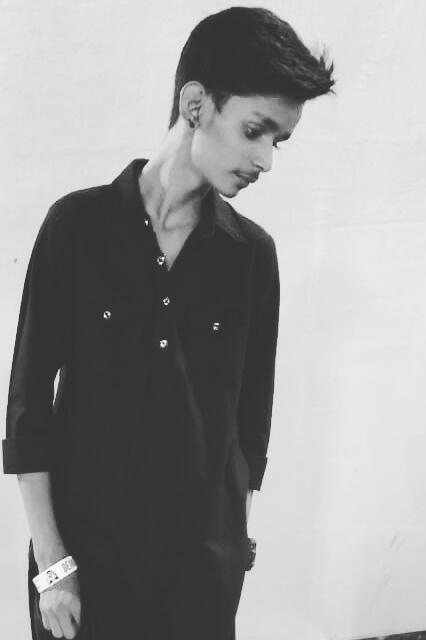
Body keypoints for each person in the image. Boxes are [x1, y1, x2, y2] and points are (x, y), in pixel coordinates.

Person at [2, 6, 335, 640]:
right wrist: (53, 566)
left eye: (279, 141)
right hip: (82, 577)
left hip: (197, 586)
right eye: (256, 130)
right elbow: (27, 411)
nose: (266, 160)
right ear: (196, 104)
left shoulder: (252, 257)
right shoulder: (76, 229)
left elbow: (249, 426)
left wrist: (232, 548)